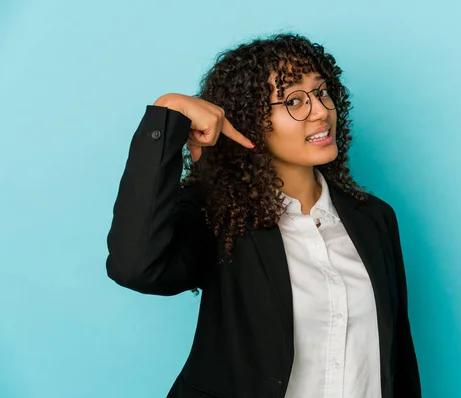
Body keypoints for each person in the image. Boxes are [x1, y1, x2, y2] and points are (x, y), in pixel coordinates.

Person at [106, 33, 421, 398]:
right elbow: (136, 267)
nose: (320, 111)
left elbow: (398, 359)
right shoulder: (221, 215)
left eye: (321, 93)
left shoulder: (374, 218)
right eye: (293, 101)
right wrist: (168, 114)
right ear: (249, 121)